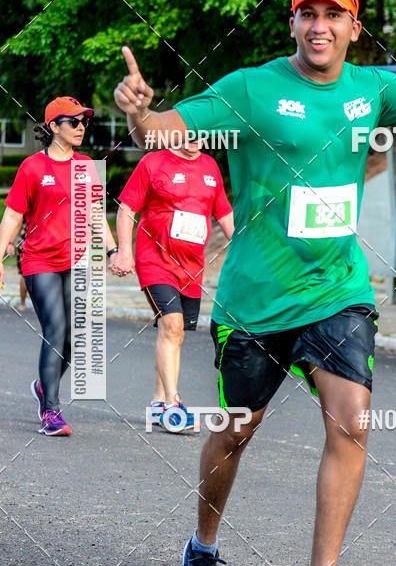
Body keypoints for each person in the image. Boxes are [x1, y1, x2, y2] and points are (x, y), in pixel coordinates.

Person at [114, 0, 396, 566]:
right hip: (255, 297)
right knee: (237, 430)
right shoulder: (250, 87)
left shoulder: (374, 88)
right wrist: (139, 110)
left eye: (333, 15)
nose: (319, 25)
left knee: (351, 420)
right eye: (307, 14)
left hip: (337, 288)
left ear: (353, 27)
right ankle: (202, 548)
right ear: (292, 23)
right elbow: (161, 132)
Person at [0, 97, 118, 436]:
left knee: (73, 338)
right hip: (39, 260)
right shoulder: (32, 167)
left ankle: (42, 386)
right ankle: (51, 411)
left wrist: (112, 251)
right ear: (53, 126)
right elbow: (13, 214)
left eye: (84, 121)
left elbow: (95, 213)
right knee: (55, 330)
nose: (81, 127)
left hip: (75, 261)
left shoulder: (86, 167)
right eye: (74, 121)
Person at [112, 136, 233, 431]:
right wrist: (125, 251)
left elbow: (225, 214)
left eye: (202, 133)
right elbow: (127, 208)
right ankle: (172, 406)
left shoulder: (210, 167)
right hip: (154, 261)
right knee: (172, 325)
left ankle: (157, 402)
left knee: (174, 334)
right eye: (189, 132)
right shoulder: (153, 163)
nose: (195, 139)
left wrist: (246, 253)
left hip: (191, 268)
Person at [6, 221, 28, 309]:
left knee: (24, 274)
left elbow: (16, 223)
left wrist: (10, 243)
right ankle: (35, 305)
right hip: (41, 240)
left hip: (24, 240)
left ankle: (22, 304)